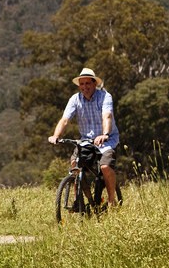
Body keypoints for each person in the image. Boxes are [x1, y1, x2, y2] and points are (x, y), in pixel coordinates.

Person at [48, 68, 120, 205]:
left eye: (88, 83)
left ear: (94, 84)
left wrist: (104, 134)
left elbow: (107, 116)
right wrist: (56, 136)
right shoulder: (75, 99)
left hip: (106, 140)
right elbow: (64, 120)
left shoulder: (105, 97)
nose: (85, 87)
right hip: (86, 140)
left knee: (105, 167)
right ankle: (82, 199)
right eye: (82, 84)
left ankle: (112, 201)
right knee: (75, 165)